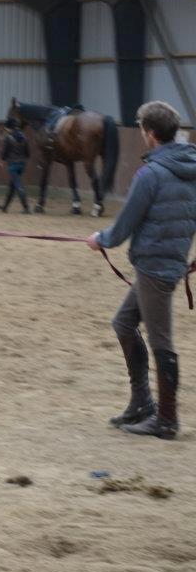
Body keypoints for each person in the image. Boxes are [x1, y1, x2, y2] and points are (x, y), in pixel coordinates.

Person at [86, 101, 196, 439]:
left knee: (161, 340)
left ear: (149, 134)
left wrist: (100, 239)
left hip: (155, 266)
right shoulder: (190, 166)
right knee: (123, 323)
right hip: (166, 260)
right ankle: (142, 403)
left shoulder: (151, 174)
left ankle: (166, 420)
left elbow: (125, 225)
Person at [0, 118, 31, 213]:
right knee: (12, 185)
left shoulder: (9, 138)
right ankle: (5, 207)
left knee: (17, 185)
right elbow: (28, 153)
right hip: (22, 164)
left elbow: (5, 151)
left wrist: (2, 160)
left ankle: (26, 208)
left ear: (8, 127)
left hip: (13, 164)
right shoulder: (24, 136)